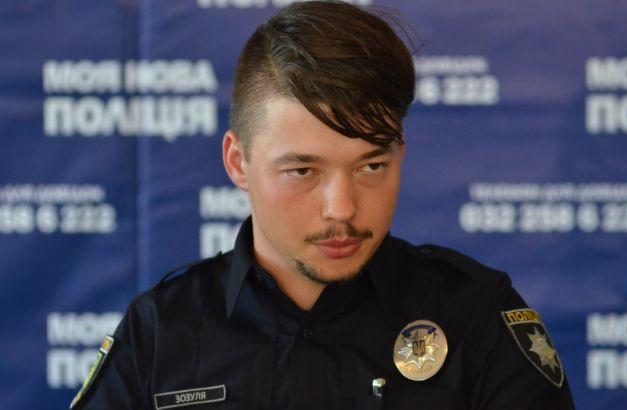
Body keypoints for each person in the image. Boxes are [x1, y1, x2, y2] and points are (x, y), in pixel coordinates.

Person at [72, 1, 575, 409]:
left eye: (370, 166)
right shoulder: (161, 332)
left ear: (400, 154)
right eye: (302, 171)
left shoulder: (475, 315)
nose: (342, 209)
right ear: (238, 163)